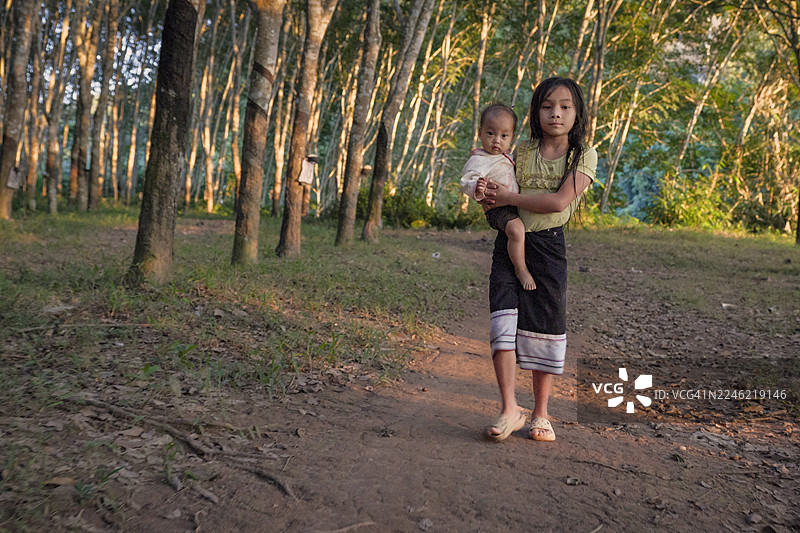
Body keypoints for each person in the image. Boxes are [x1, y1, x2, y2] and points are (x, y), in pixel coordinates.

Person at [480, 77, 597, 442]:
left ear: (577, 113)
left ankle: (541, 414)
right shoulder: (522, 150)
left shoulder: (583, 156)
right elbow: (493, 185)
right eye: (547, 106)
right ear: (536, 112)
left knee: (544, 327)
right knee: (502, 321)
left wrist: (509, 198)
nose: (555, 114)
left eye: (564, 107)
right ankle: (509, 409)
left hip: (548, 248)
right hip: (510, 243)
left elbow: (558, 203)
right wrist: (487, 195)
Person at [461, 104, 536, 290]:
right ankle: (520, 269)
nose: (496, 140)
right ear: (480, 133)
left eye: (504, 136)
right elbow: (466, 180)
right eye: (490, 133)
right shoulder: (479, 159)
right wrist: (478, 187)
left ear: (512, 137)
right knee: (517, 230)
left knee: (522, 230)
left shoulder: (507, 157)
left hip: (512, 204)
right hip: (496, 207)